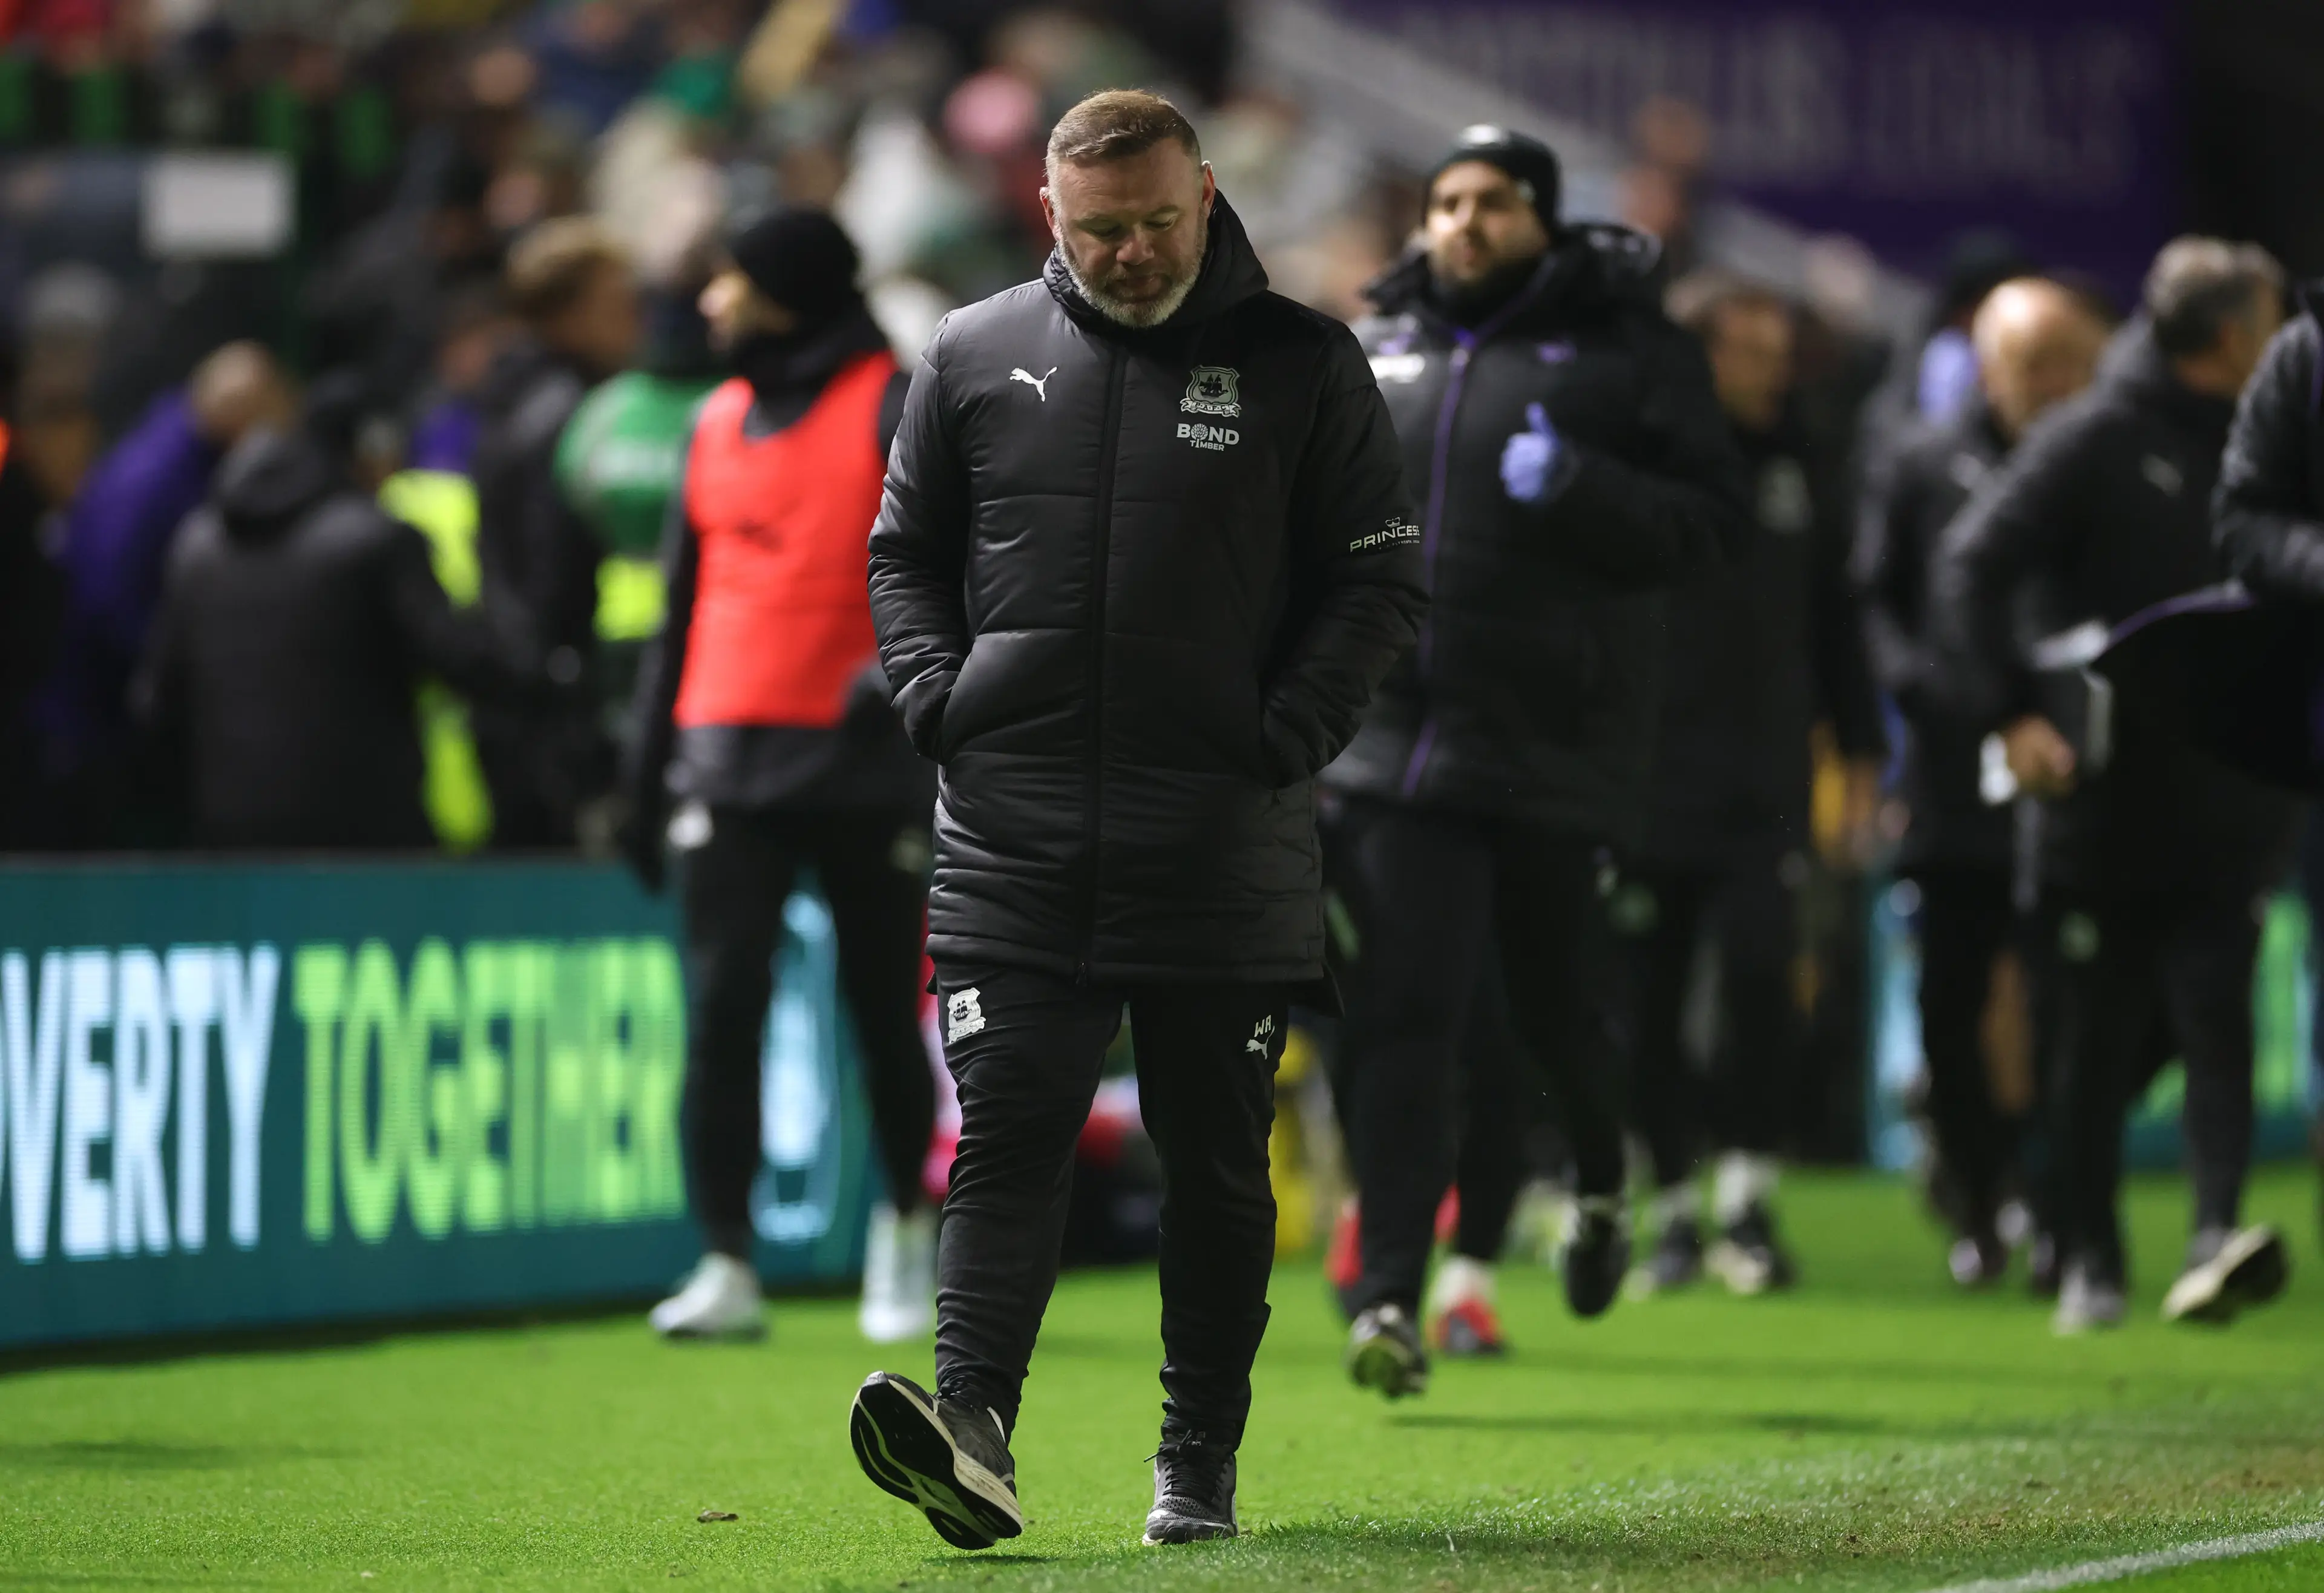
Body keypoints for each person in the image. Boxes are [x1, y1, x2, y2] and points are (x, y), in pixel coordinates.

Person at [847, 90, 1425, 1550]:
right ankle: (971, 1432)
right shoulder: (973, 354)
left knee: (1215, 1157)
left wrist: (1282, 733)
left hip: (1222, 836)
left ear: (1208, 193)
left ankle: (1197, 1464)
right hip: (1012, 832)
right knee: (1007, 1136)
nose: (1132, 250)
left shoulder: (1300, 363)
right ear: (1050, 213)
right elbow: (902, 550)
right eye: (1101, 228)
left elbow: (1375, 585)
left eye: (1159, 220)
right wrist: (935, 695)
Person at [1321, 124, 1749, 1396]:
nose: (1461, 223)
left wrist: (1588, 490)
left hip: (1555, 744)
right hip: (1394, 745)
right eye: (1445, 201)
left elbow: (1717, 526)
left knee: (1551, 1012)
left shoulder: (1633, 350)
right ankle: (1394, 1292)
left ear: (1544, 222)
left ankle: (1605, 1185)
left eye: (1493, 203)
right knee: (1407, 1014)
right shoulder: (1377, 346)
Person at [1932, 238, 2300, 1334]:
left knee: (2216, 1020)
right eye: (2277, 320)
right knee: (2091, 1040)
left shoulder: (2271, 442)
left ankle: (2213, 1238)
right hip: (2099, 803)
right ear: (2234, 336)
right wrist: (2009, 710)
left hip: (2233, 789)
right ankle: (2087, 1251)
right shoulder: (2094, 434)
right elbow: (1969, 563)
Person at [619, 209, 939, 1347]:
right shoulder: (711, 420)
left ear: (788, 290)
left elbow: (957, 573)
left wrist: (900, 684)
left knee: (878, 1016)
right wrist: (643, 773)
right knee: (719, 1015)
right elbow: (676, 610)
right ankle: (725, 1261)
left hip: (858, 761)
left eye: (732, 280)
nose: (710, 301)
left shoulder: (894, 405)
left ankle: (904, 1232)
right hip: (725, 754)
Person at [1620, 272, 1882, 1298]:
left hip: (1766, 783)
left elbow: (1835, 625)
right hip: (1643, 783)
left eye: (1780, 353)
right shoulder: (1634, 465)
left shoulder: (1799, 463)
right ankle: (1674, 1209)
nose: (1772, 371)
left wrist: (1860, 756)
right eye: (1749, 351)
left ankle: (1750, 1200)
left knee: (1764, 982)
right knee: (1647, 999)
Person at [1853, 277, 2109, 1287]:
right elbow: (1878, 599)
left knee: (2071, 999)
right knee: (1949, 999)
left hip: (2075, 773)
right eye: (2026, 362)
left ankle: (2049, 1200)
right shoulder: (1922, 463)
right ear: (1987, 363)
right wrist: (1925, 695)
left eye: (2062, 362)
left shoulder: (2100, 462)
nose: (2045, 383)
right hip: (1954, 773)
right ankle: (1977, 1185)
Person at [133, 399, 535, 849]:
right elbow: (466, 661)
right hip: (365, 840)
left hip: (228, 833)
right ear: (366, 458)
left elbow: (157, 702)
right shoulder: (374, 538)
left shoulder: (196, 546)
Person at [30, 341, 293, 846]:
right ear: (245, 416)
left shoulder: (173, 454)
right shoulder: (157, 478)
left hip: (108, 717)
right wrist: (170, 680)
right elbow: (107, 598)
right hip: (98, 725)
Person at [469, 216, 642, 848]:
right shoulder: (573, 416)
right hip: (555, 709)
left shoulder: (507, 400)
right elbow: (551, 578)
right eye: (619, 304)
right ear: (566, 315)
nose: (635, 321)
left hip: (516, 695)